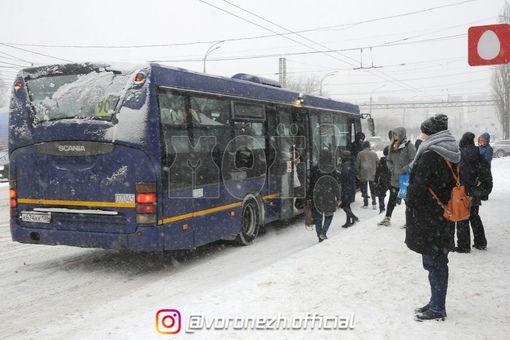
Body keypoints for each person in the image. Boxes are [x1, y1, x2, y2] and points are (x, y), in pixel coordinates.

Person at [405, 113, 460, 321]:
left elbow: (418, 190)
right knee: (438, 261)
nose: (423, 136)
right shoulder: (452, 153)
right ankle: (436, 300)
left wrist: (410, 200)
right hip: (444, 215)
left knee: (434, 263)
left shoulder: (430, 156)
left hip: (430, 217)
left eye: (425, 132)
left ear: (432, 134)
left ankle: (437, 307)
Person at [455, 132, 493, 252]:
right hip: (474, 189)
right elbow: (485, 172)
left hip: (461, 190)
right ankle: (480, 242)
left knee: (462, 217)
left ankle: (464, 245)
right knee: (474, 216)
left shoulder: (459, 154)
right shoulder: (478, 154)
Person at [377, 127, 416, 226]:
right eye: (393, 135)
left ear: (401, 135)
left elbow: (414, 160)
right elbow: (388, 160)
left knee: (407, 201)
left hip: (405, 178)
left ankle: (410, 221)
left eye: (396, 134)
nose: (394, 136)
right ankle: (387, 219)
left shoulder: (409, 146)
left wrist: (404, 169)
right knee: (391, 200)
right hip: (394, 178)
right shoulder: (392, 146)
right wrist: (391, 168)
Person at [307, 149, 341, 242]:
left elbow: (311, 184)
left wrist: (309, 196)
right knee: (329, 215)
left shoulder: (315, 169)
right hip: (329, 195)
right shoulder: (332, 169)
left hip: (317, 195)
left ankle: (319, 234)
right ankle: (324, 231)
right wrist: (338, 197)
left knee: (318, 215)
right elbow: (335, 185)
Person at [338, 150, 359, 228]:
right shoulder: (352, 164)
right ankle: (349, 220)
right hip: (351, 186)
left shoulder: (346, 165)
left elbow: (344, 176)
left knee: (343, 204)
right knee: (347, 204)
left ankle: (353, 217)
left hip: (346, 187)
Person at [356, 140, 379, 209]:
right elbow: (378, 162)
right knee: (373, 189)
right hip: (372, 173)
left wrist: (357, 172)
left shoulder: (360, 154)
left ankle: (366, 203)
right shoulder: (373, 153)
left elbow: (357, 164)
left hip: (363, 173)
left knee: (364, 189)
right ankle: (374, 203)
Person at [374, 145, 391, 214]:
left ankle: (382, 208)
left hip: (383, 180)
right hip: (392, 179)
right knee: (393, 194)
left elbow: (378, 171)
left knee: (381, 195)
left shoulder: (382, 160)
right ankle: (393, 205)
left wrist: (375, 180)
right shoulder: (394, 160)